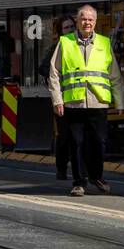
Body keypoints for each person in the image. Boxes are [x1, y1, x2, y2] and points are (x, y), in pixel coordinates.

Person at [47, 4, 124, 197]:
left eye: (90, 19)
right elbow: (54, 73)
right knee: (77, 143)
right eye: (83, 19)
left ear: (95, 22)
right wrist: (57, 100)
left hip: (98, 102)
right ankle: (79, 182)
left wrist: (120, 101)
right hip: (74, 103)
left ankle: (96, 176)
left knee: (99, 142)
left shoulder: (104, 43)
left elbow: (114, 75)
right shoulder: (65, 43)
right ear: (78, 22)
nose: (87, 23)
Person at [43, 16, 76, 180]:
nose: (70, 30)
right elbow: (44, 68)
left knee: (80, 136)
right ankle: (61, 168)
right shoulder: (57, 48)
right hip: (63, 99)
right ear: (60, 32)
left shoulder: (80, 46)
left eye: (72, 27)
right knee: (64, 136)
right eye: (66, 28)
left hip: (81, 99)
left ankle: (81, 171)